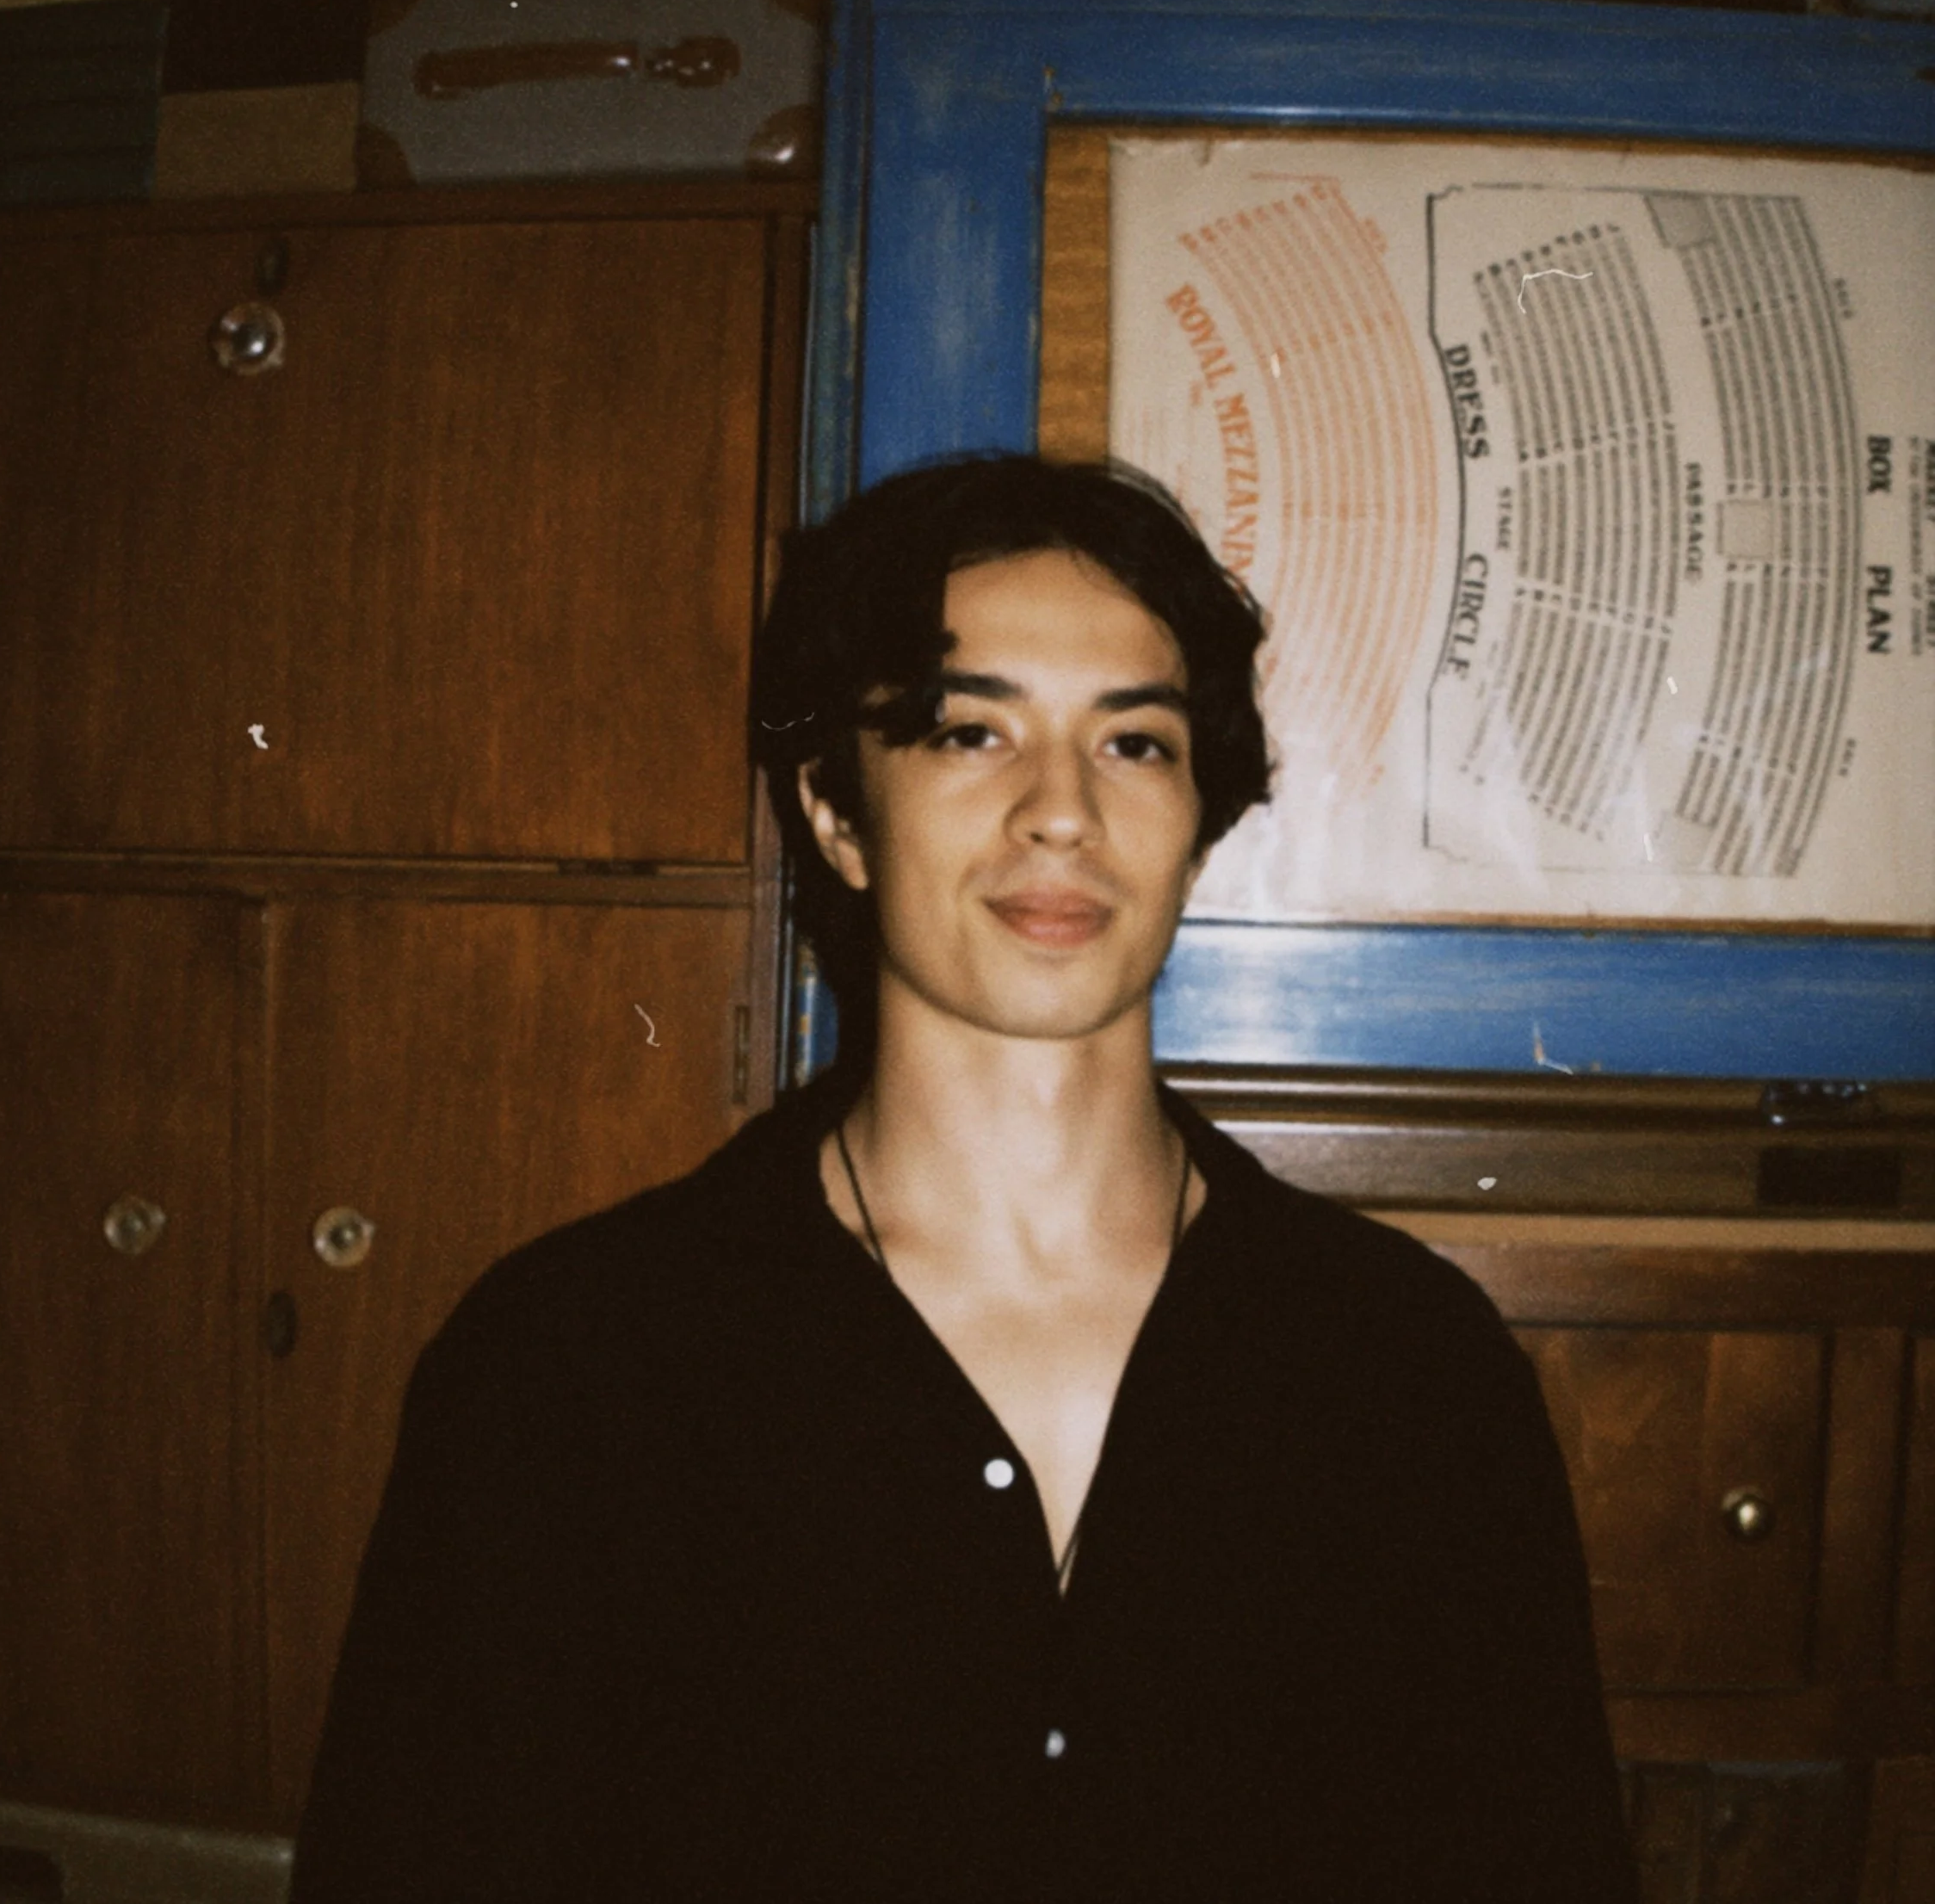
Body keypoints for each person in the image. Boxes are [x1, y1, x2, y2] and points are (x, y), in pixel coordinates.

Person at [291, 455, 1635, 1901]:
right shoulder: (575, 1365)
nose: (1059, 810)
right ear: (833, 813)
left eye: (1133, 745)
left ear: (1199, 819)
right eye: (966, 733)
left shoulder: (1409, 1371)